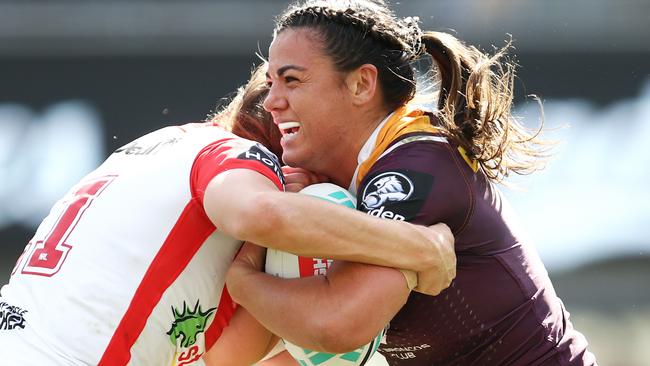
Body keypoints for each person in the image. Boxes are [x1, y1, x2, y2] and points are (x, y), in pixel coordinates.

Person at [0, 65, 456, 366]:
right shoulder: (238, 156)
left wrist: (257, 283)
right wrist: (419, 247)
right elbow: (259, 212)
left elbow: (223, 359)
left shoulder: (166, 148)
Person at [226, 0, 598, 365]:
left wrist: (241, 282)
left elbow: (336, 324)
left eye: (291, 80)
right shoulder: (353, 177)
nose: (273, 100)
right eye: (272, 81)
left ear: (361, 84)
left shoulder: (413, 168)